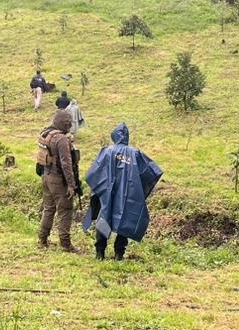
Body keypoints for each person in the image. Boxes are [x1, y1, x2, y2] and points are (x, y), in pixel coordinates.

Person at [84, 124, 163, 261]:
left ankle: (100, 253)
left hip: (108, 194)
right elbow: (152, 171)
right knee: (124, 220)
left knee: (104, 219)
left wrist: (99, 189)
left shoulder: (107, 152)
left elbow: (94, 172)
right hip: (128, 195)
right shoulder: (135, 153)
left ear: (114, 136)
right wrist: (139, 188)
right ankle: (119, 254)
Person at [36, 109, 78, 252]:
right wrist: (71, 185)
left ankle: (42, 239)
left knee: (48, 208)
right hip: (58, 179)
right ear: (63, 124)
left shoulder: (45, 134)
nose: (70, 126)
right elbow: (66, 164)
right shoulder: (61, 140)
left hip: (46, 176)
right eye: (68, 124)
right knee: (65, 209)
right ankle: (65, 244)